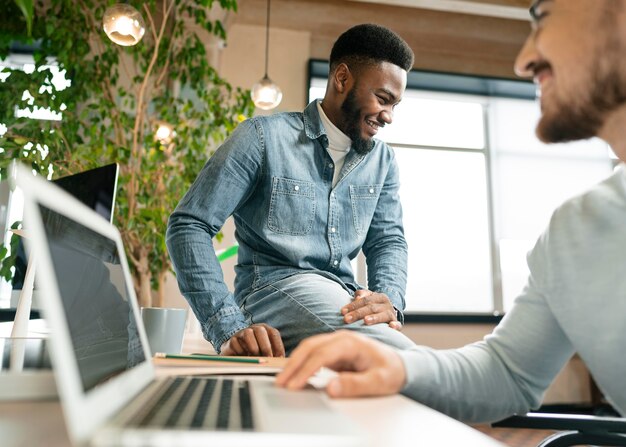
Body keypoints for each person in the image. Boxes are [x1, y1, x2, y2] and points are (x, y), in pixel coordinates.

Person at [276, 0, 626, 423]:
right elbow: (506, 373)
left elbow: (389, 239)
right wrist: (394, 364)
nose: (523, 61)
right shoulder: (577, 230)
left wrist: (390, 303)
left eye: (543, 18)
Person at [166, 24, 416, 357]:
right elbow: (189, 225)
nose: (389, 116)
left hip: (342, 297)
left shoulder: (382, 160)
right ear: (342, 79)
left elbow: (388, 240)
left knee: (376, 367)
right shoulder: (262, 137)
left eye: (395, 105)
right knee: (401, 358)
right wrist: (227, 326)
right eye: (383, 99)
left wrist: (389, 300)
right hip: (271, 292)